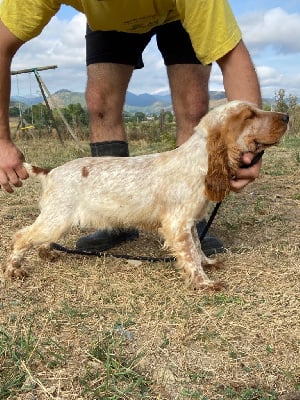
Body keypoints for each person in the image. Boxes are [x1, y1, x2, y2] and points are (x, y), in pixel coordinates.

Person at [0, 0, 262, 255]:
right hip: (109, 24)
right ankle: (115, 216)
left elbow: (231, 57)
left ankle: (187, 214)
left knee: (193, 106)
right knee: (100, 105)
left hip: (178, 14)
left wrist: (252, 147)